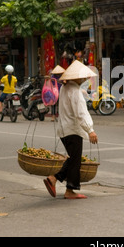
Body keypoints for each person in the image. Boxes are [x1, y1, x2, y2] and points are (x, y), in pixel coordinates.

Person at [43, 60, 98, 199]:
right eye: (84, 77)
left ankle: (54, 180)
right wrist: (90, 130)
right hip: (72, 129)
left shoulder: (65, 89)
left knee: (74, 159)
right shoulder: (74, 91)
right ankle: (68, 189)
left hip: (64, 129)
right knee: (75, 160)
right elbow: (80, 113)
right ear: (77, 78)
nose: (85, 79)